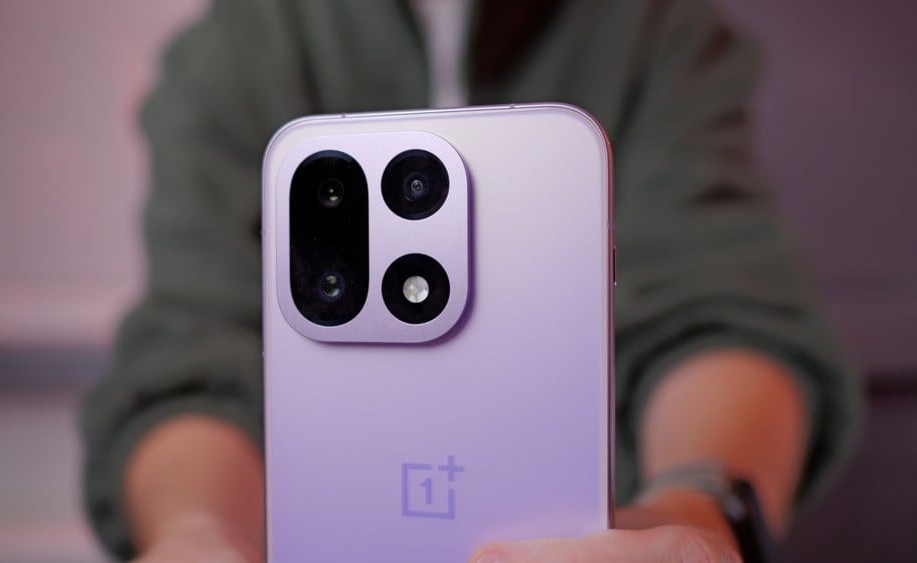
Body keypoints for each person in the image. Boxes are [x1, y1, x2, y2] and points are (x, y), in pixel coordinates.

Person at [81, 0, 861, 561]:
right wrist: (199, 533)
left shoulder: (652, 27)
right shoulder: (242, 46)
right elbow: (192, 354)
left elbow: (720, 305)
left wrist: (692, 513)